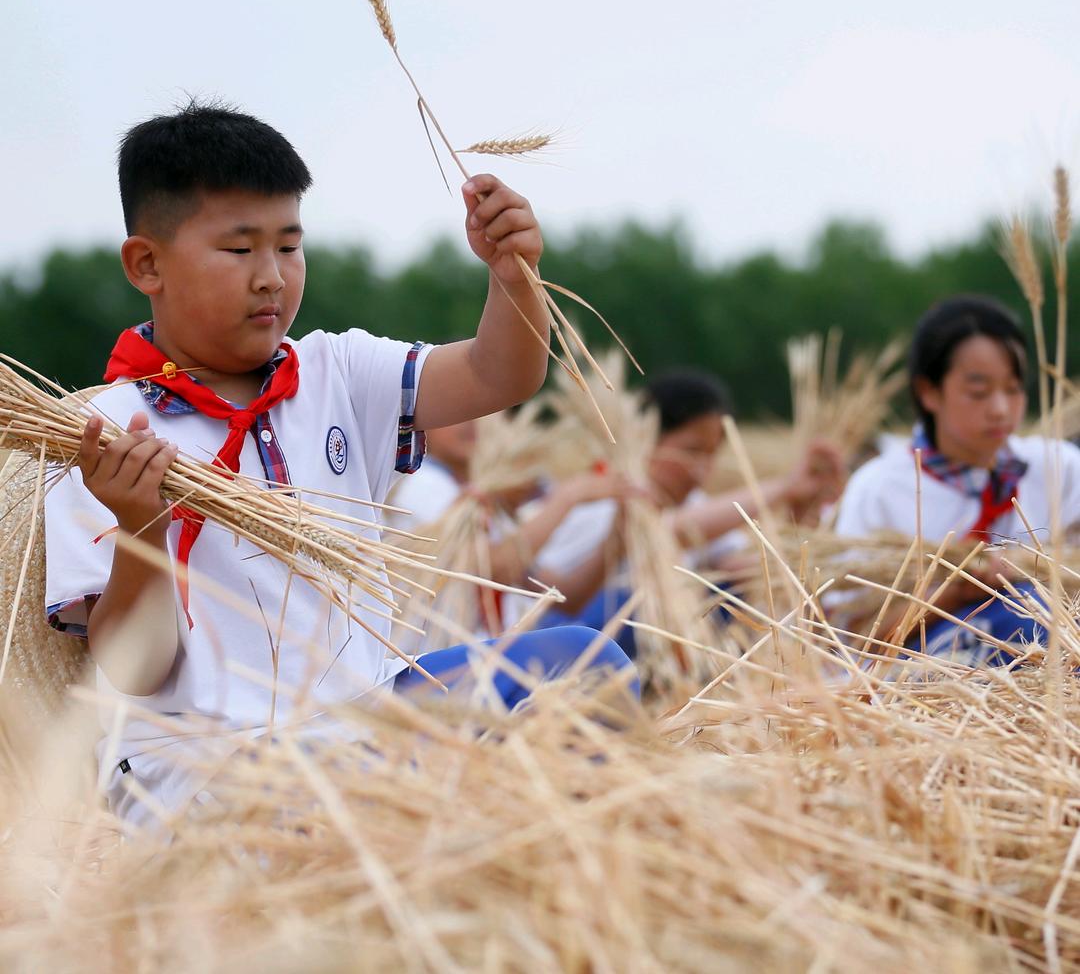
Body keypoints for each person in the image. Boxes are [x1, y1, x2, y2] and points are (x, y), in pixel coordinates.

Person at [42, 100, 636, 830]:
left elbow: (499, 375)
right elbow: (136, 669)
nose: (272, 277)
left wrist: (513, 277)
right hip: (217, 771)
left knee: (585, 661)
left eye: (289, 246)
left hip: (370, 721)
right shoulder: (101, 435)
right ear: (147, 264)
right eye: (239, 250)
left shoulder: (339, 371)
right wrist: (141, 528)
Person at [834, 294, 1080, 663]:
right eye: (978, 392)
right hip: (929, 674)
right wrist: (956, 591)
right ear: (928, 392)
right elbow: (852, 639)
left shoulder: (1058, 467)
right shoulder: (879, 489)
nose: (1000, 409)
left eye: (1013, 389)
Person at [531, 369, 845, 657]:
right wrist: (785, 487)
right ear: (646, 439)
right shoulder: (602, 499)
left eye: (711, 454)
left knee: (726, 592)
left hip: (639, 651)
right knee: (648, 598)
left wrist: (803, 525)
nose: (701, 469)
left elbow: (745, 567)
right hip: (566, 646)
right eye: (691, 451)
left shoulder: (695, 502)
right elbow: (671, 533)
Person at [387, 418, 642, 643]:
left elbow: (563, 596)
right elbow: (498, 569)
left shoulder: (480, 502)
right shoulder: (421, 484)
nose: (469, 422)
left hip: (482, 653)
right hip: (431, 658)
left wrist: (617, 541)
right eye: (452, 413)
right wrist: (568, 497)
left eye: (476, 413)